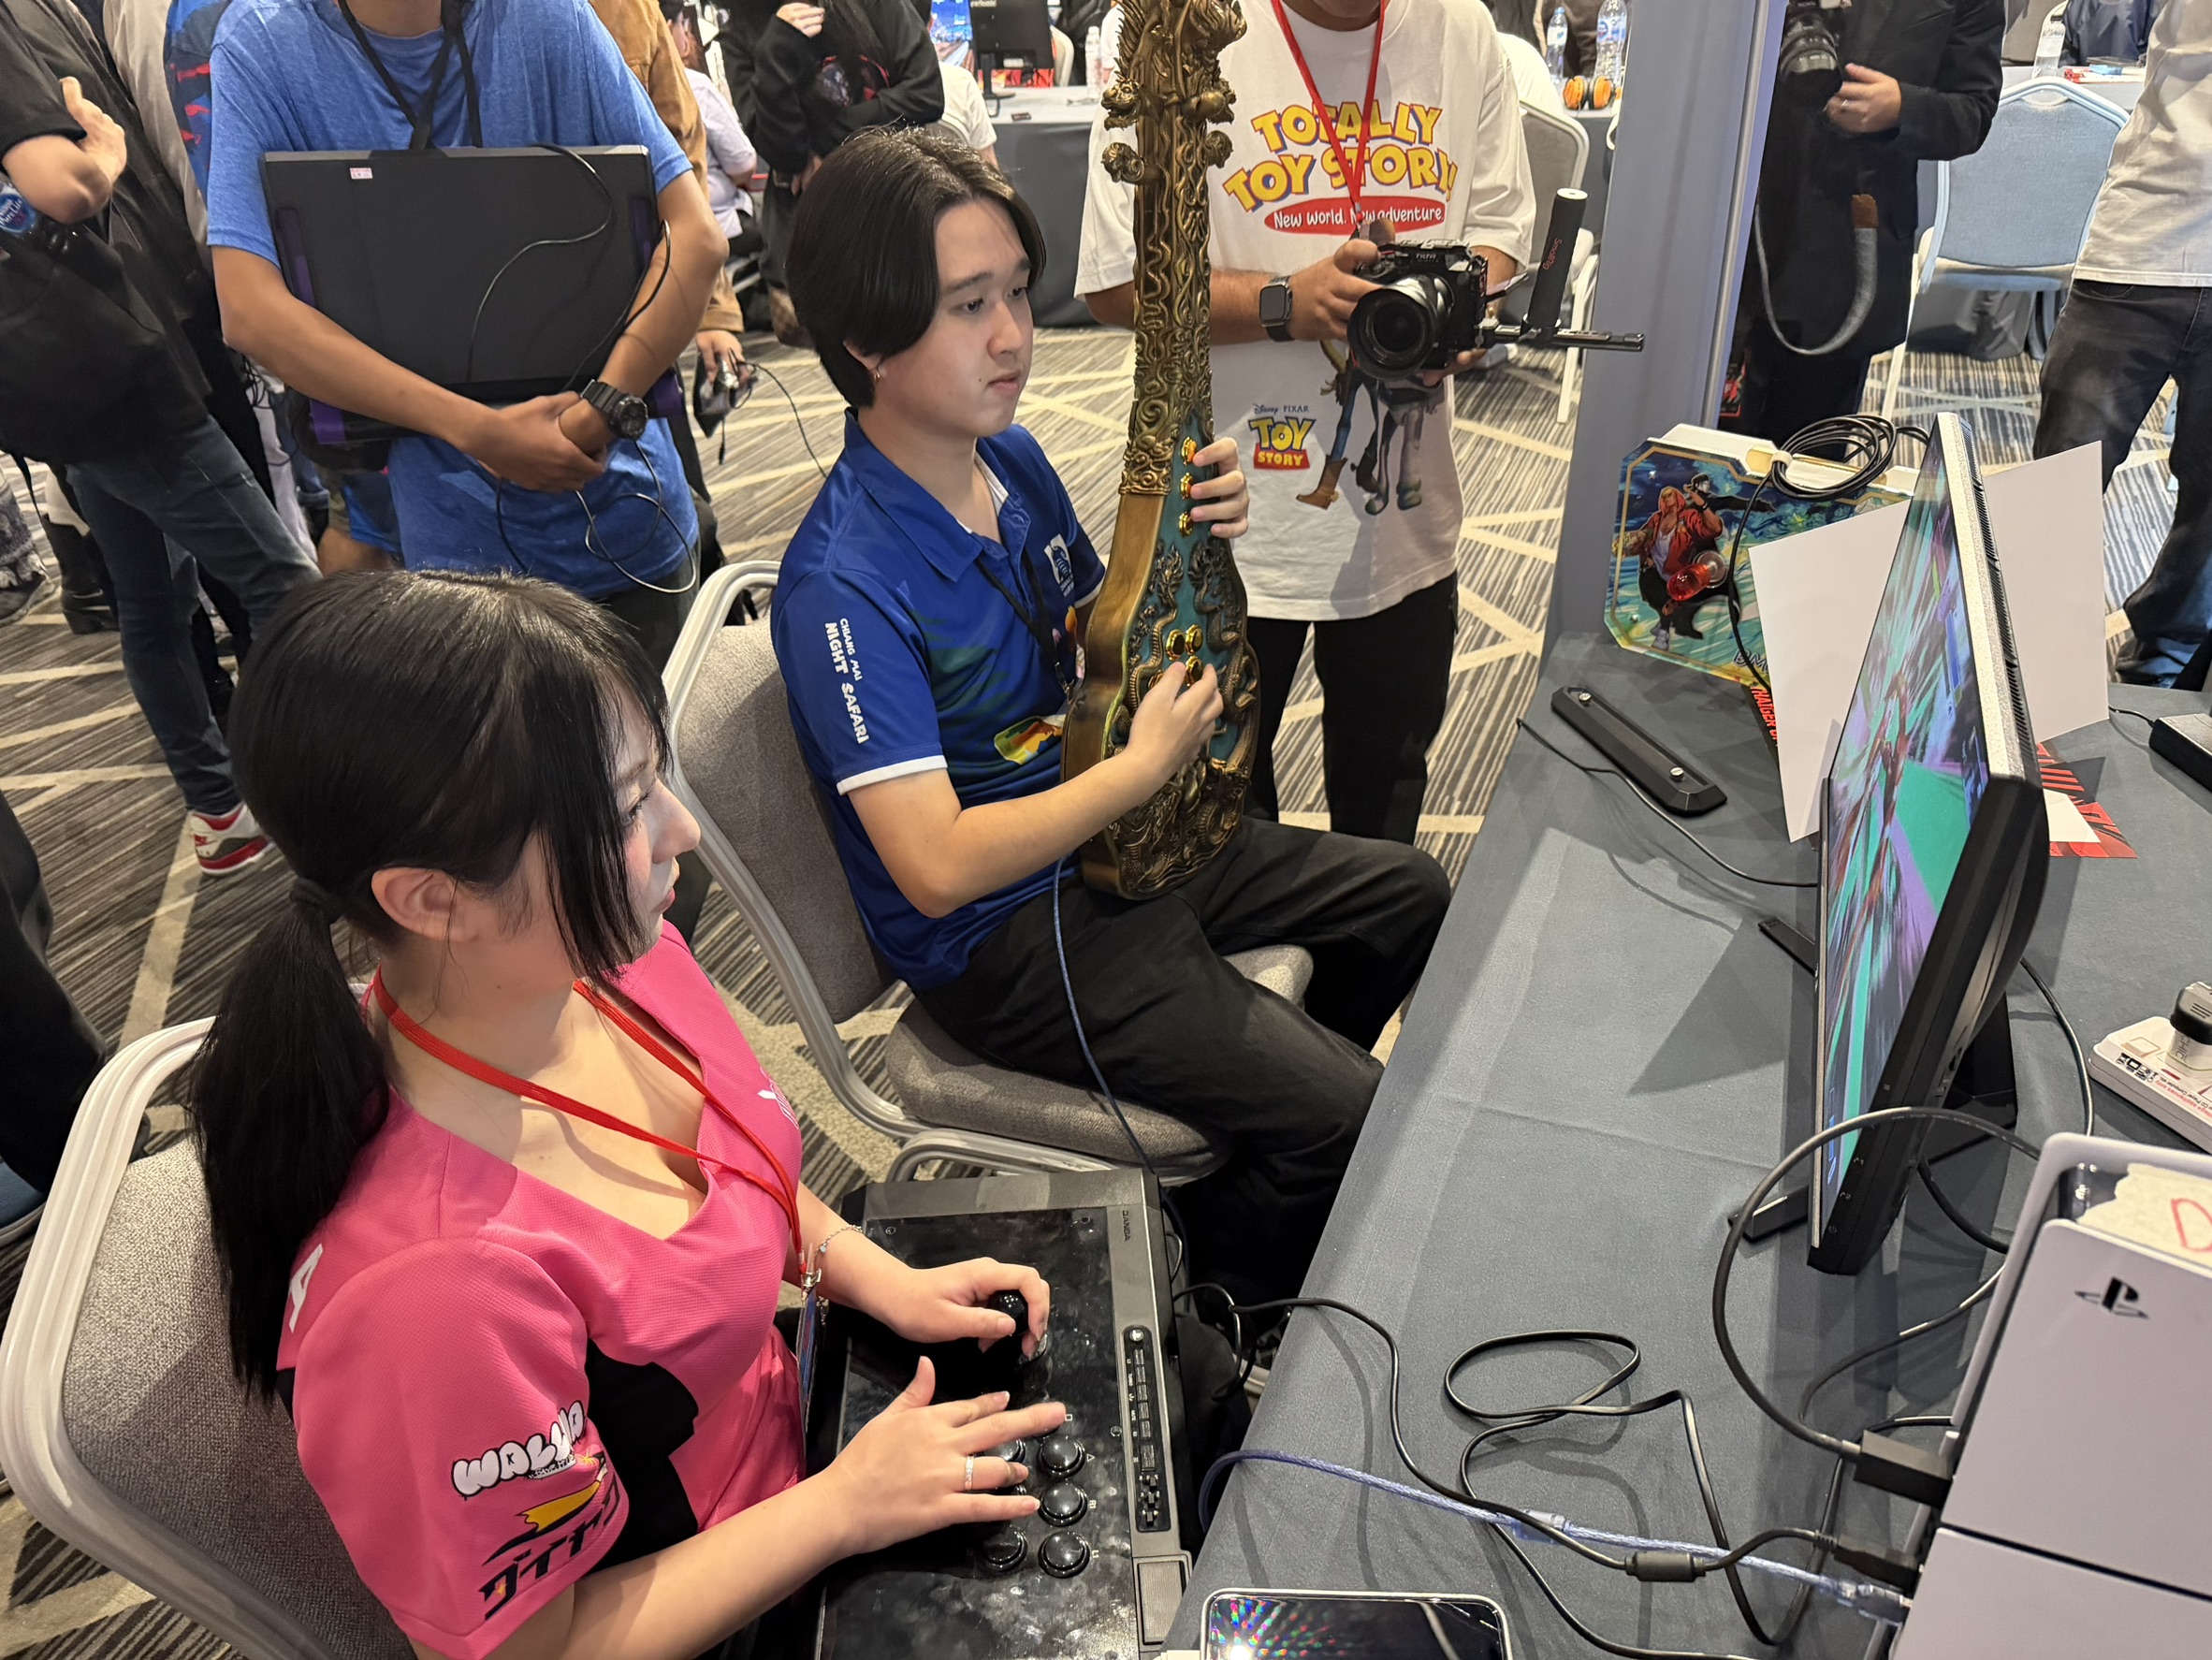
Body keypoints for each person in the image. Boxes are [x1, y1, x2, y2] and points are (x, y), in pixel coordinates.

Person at [191, 570, 1065, 1660]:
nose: (682, 830)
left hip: (804, 1428)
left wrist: (874, 1272)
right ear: (431, 898)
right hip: (713, 1591)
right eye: (621, 811)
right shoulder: (432, 1293)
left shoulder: (612, 961)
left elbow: (735, 1171)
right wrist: (844, 1505)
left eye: (658, 782)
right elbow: (538, 1649)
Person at [775, 130, 1452, 1305]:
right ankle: (1220, 1290)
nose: (1013, 336)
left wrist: (1197, 531)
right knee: (1353, 1117)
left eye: (1015, 295)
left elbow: (1104, 632)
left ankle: (1255, 1147)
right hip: (1008, 935)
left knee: (1410, 897)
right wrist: (1136, 776)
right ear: (865, 340)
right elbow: (934, 867)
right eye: (968, 306)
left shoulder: (1011, 461)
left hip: (1111, 839)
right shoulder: (843, 582)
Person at [1080, 0, 1534, 845]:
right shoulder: (1181, 25)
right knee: (1221, 821)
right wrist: (1285, 303)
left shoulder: (1460, 28)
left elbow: (1501, 230)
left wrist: (1456, 310)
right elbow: (1116, 280)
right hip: (1225, 527)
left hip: (1404, 528)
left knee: (1384, 818)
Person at [205, 0, 726, 668]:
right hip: (479, 555)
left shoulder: (548, 17)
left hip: (592, 522)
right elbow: (250, 309)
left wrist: (585, 415)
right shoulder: (265, 42)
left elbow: (695, 238)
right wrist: (492, 428)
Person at [2, 0, 318, 875]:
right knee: (285, 584)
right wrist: (103, 155)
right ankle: (329, 802)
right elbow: (60, 188)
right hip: (107, 361)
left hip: (53, 373)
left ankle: (219, 807)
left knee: (153, 598)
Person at [1724, 0, 2002, 444]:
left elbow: (1974, 112)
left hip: (1847, 261)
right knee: (1691, 453)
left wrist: (1902, 108)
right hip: (1729, 231)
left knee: (1811, 459)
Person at [2033, 0, 2208, 685]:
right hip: (2143, 238)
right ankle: (2029, 657)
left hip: (2144, 240)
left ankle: (2163, 664)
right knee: (2061, 479)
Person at [585, 0, 749, 579]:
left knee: (675, 529)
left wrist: (713, 311)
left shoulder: (627, 9)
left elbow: (683, 154)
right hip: (479, 350)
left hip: (639, 315)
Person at [720, 0, 943, 347]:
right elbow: (785, 152)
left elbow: (927, 93)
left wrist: (825, 142)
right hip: (821, 233)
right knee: (850, 358)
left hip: (898, 207)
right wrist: (775, 52)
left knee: (921, 342)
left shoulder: (874, 6)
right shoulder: (743, 32)